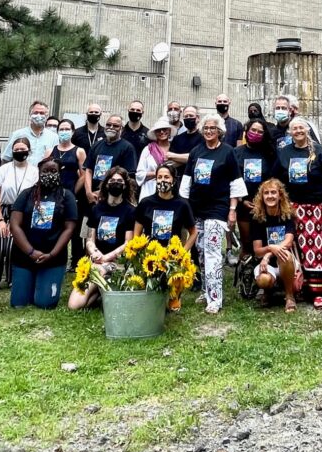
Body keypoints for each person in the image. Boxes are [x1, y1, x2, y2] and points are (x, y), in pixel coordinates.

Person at [179, 113, 246, 314]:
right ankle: (206, 290)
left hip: (218, 208)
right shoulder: (196, 151)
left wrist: (232, 210)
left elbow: (235, 183)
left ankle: (215, 299)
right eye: (206, 128)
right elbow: (187, 181)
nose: (209, 131)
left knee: (213, 253)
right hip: (196, 208)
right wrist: (184, 208)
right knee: (200, 252)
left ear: (219, 131)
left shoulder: (228, 152)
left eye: (213, 128)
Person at [273, 116, 322, 309]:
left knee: (316, 248)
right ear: (290, 132)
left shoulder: (319, 151)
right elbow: (277, 180)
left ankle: (318, 292)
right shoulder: (284, 152)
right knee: (295, 247)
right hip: (292, 207)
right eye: (295, 128)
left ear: (307, 130)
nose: (298, 131)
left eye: (301, 128)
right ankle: (298, 288)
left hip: (316, 207)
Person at [9, 159, 77, 309]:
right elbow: (14, 225)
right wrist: (31, 252)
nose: (49, 174)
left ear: (59, 173)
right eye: (45, 171)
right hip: (24, 256)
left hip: (53, 257)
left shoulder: (67, 196)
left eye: (53, 171)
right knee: (19, 303)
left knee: (45, 303)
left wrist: (52, 254)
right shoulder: (26, 194)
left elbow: (69, 229)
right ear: (39, 172)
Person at [68, 166, 136, 310]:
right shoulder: (95, 209)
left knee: (98, 274)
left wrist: (107, 258)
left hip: (118, 264)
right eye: (112, 180)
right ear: (106, 184)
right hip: (96, 261)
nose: (116, 183)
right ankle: (99, 291)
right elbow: (89, 239)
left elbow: (128, 242)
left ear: (125, 185)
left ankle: (102, 289)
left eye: (120, 181)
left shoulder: (131, 211)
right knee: (74, 305)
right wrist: (95, 253)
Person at [133, 162, 197, 311]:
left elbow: (194, 232)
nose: (163, 180)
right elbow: (136, 233)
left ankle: (175, 294)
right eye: (160, 177)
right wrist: (137, 252)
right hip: (150, 255)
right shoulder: (145, 203)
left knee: (171, 299)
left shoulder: (182, 204)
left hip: (172, 256)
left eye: (166, 177)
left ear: (173, 180)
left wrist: (183, 252)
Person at [0, 136, 39, 293]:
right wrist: (0, 220)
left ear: (29, 151)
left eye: (23, 149)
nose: (19, 152)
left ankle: (11, 279)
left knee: (12, 247)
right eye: (16, 149)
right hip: (2, 211)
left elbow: (35, 196)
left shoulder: (34, 171)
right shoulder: (3, 169)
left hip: (23, 213)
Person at [251, 179, 298, 313]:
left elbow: (288, 242)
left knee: (285, 255)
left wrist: (269, 253)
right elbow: (257, 251)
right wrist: (270, 248)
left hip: (286, 263)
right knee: (263, 280)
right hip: (266, 265)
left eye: (273, 192)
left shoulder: (287, 214)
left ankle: (289, 296)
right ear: (262, 197)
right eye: (266, 193)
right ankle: (268, 291)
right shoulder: (257, 218)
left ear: (280, 195)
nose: (270, 196)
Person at [233, 117, 278, 257]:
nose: (256, 133)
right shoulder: (236, 152)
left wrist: (263, 201)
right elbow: (232, 179)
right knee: (246, 243)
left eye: (260, 131)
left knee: (263, 241)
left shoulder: (270, 153)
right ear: (246, 131)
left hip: (266, 204)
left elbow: (274, 178)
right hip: (244, 204)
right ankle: (246, 265)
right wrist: (242, 200)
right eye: (253, 130)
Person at [52, 117, 87, 266]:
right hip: (54, 195)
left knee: (74, 227)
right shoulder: (51, 150)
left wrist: (72, 192)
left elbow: (84, 175)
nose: (64, 132)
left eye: (67, 129)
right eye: (61, 129)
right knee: (55, 227)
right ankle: (56, 257)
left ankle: (76, 261)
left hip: (72, 194)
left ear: (72, 132)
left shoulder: (79, 151)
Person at [84, 114, 136, 203]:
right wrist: (88, 192)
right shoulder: (96, 145)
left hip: (115, 196)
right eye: (108, 124)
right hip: (93, 196)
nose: (111, 127)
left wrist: (102, 192)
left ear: (122, 129)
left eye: (115, 126)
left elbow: (128, 176)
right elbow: (88, 170)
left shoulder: (127, 148)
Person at [2, 100, 57, 165]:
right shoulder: (17, 134)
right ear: (30, 115)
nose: (38, 115)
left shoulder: (53, 137)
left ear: (47, 116)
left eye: (42, 113)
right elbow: (6, 159)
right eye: (36, 113)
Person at [135, 116, 176, 201]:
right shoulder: (148, 149)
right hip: (150, 190)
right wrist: (159, 173)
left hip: (170, 190)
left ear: (169, 130)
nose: (162, 132)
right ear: (155, 133)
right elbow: (139, 174)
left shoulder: (176, 148)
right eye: (158, 130)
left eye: (164, 129)